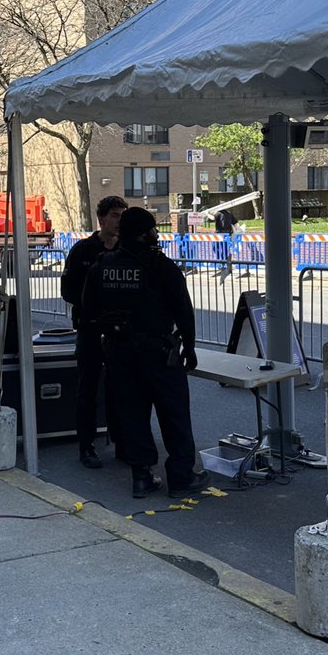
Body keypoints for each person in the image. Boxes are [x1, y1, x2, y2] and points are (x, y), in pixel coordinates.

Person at [80, 206, 208, 500]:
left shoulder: (103, 265)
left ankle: (142, 477)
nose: (156, 234)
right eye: (153, 229)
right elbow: (183, 312)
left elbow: (88, 311)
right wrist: (189, 347)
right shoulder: (161, 266)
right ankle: (181, 477)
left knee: (133, 414)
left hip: (119, 352)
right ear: (144, 233)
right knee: (174, 414)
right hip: (158, 352)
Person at [60, 194, 127, 468]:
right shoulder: (82, 250)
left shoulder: (127, 251)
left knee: (121, 389)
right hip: (90, 329)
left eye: (123, 216)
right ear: (101, 219)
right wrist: (94, 305)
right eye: (114, 215)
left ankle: (122, 442)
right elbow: (68, 291)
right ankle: (86, 446)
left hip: (120, 333)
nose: (119, 221)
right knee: (88, 389)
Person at [213, 206, 236, 279]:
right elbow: (235, 223)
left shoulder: (218, 214)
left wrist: (207, 213)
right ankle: (225, 263)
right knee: (225, 249)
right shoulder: (229, 214)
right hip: (227, 234)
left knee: (215, 247)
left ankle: (221, 262)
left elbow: (212, 218)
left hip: (219, 234)